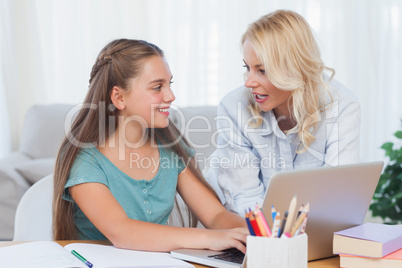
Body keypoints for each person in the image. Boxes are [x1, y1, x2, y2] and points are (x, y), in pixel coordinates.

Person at [53, 39, 248, 253]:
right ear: (119, 97)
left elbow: (215, 215)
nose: (171, 96)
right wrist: (211, 239)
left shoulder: (169, 146)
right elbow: (122, 232)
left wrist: (257, 235)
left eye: (169, 84)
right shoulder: (85, 158)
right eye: (157, 87)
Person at [205, 10, 361, 215]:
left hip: (310, 233)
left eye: (262, 71)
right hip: (249, 230)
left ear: (294, 68)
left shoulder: (341, 105)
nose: (248, 82)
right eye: (247, 67)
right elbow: (246, 200)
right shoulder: (234, 107)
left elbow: (336, 194)